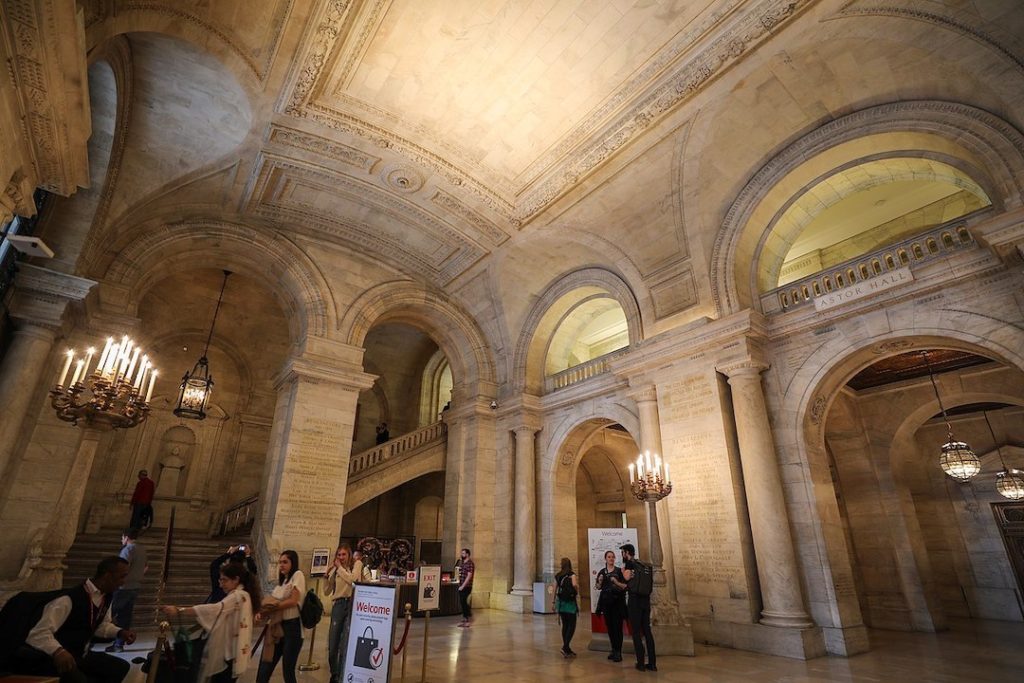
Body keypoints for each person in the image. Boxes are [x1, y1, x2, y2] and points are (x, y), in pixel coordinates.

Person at [4, 556, 136, 683]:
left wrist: (120, 632)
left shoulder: (106, 597)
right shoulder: (68, 599)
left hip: (79, 655)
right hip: (52, 658)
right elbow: (37, 633)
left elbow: (100, 626)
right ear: (107, 576)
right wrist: (58, 651)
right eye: (121, 576)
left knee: (119, 668)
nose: (123, 582)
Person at [161, 563, 261, 683]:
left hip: (229, 653)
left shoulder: (237, 596)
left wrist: (179, 610)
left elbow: (215, 609)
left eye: (224, 580)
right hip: (234, 652)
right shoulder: (245, 594)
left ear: (236, 579)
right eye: (220, 580)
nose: (221, 584)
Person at [255, 550, 305, 683]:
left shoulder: (297, 575)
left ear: (292, 563)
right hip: (278, 627)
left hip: (293, 628)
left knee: (287, 670)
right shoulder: (283, 582)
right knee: (266, 665)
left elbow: (294, 601)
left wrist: (273, 607)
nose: (281, 565)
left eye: (285, 562)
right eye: (280, 562)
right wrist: (264, 611)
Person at [324, 544, 362, 683]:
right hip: (338, 605)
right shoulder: (336, 569)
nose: (341, 557)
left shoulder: (357, 564)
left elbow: (352, 580)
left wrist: (339, 568)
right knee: (333, 644)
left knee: (346, 642)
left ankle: (341, 675)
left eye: (343, 554)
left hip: (352, 604)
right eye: (339, 555)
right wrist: (326, 577)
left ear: (349, 555)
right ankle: (334, 672)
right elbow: (327, 591)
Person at [105, 528, 147, 652]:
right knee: (125, 616)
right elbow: (146, 567)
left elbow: (122, 567)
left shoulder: (129, 549)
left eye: (122, 538)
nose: (121, 540)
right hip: (135, 586)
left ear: (126, 537)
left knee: (108, 614)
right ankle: (119, 644)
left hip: (123, 587)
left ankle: (94, 638)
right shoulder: (142, 549)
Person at [620, 543, 656, 672]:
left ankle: (640, 663)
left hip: (635, 600)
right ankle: (652, 663)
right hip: (645, 600)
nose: (622, 555)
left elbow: (627, 577)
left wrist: (623, 571)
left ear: (627, 553)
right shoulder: (642, 564)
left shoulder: (630, 564)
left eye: (623, 552)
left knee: (636, 632)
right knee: (647, 631)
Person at [595, 549, 627, 662]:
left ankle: (618, 651)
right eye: (609, 557)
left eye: (613, 557)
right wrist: (599, 581)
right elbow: (598, 587)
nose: (611, 559)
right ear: (605, 559)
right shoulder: (602, 572)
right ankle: (613, 650)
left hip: (617, 604)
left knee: (618, 628)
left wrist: (616, 582)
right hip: (606, 604)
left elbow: (625, 586)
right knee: (610, 628)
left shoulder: (619, 571)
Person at [552, 557, 579, 658]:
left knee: (565, 625)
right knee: (572, 625)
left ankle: (567, 649)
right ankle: (565, 647)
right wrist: (577, 590)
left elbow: (554, 589)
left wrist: (553, 602)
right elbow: (575, 584)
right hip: (570, 603)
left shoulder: (558, 575)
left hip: (561, 603)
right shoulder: (572, 574)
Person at [455, 548, 474, 627]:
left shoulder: (470, 563)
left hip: (466, 586)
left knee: (464, 602)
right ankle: (465, 618)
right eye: (461, 553)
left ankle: (467, 619)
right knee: (462, 602)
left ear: (467, 554)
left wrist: (463, 586)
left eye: (463, 553)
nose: (462, 555)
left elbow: (469, 576)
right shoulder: (462, 563)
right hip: (461, 585)